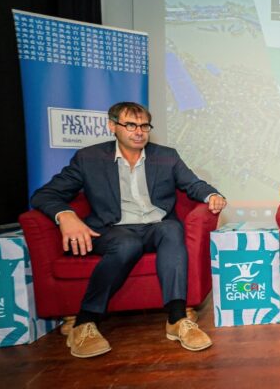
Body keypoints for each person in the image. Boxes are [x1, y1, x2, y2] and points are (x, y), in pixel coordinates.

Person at [30, 102, 227, 358]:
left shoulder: (166, 156)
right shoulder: (89, 158)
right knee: (127, 243)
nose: (139, 132)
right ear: (112, 126)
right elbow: (44, 195)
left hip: (155, 227)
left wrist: (212, 195)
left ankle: (177, 319)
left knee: (171, 229)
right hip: (112, 230)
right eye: (131, 125)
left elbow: (194, 184)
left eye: (144, 126)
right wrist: (65, 215)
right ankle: (84, 322)